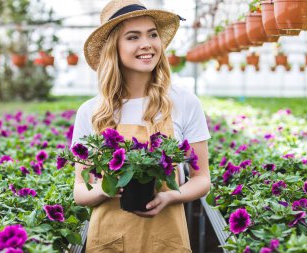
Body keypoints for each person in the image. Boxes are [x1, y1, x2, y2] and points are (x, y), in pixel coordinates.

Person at [71, 0, 211, 252]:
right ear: (114, 47)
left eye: (152, 34)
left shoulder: (184, 102)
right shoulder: (91, 111)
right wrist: (107, 188)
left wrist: (169, 196)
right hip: (108, 240)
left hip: (166, 240)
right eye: (133, 37)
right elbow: (80, 191)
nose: (146, 44)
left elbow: (202, 179)